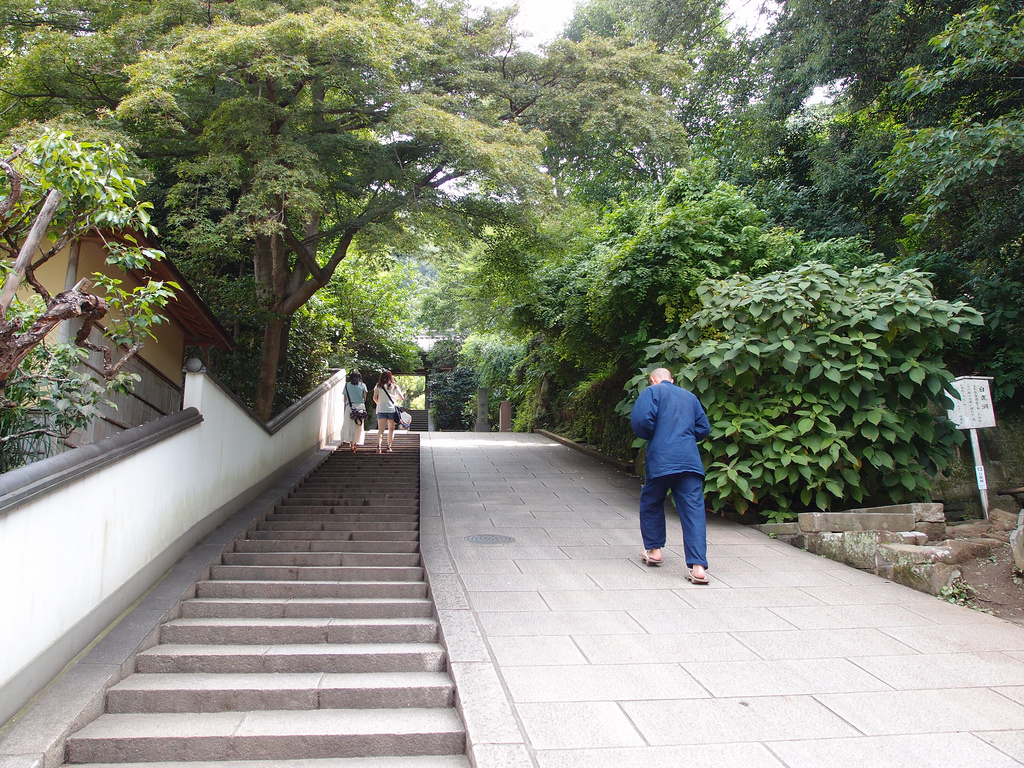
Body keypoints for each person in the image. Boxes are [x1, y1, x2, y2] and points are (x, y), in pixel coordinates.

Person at [630, 367, 712, 583]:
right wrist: (683, 436)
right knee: (693, 510)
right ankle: (698, 568)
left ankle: (654, 551)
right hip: (689, 460)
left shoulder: (651, 392)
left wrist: (656, 434)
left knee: (651, 502)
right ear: (672, 380)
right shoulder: (690, 397)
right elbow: (704, 427)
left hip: (662, 459)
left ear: (652, 380)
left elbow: (640, 422)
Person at [373, 370, 405, 453]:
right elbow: (402, 398)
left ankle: (379, 446)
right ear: (391, 377)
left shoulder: (378, 386)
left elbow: (374, 398)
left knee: (381, 430)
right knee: (391, 429)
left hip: (381, 409)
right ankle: (388, 446)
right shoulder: (394, 386)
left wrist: (379, 403)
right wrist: (394, 397)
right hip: (391, 410)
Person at [341, 370, 368, 453]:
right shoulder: (363, 385)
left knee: (350, 425)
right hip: (360, 407)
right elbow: (365, 398)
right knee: (358, 425)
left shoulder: (347, 386)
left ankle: (351, 444)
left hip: (350, 407)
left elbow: (344, 399)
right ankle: (356, 442)